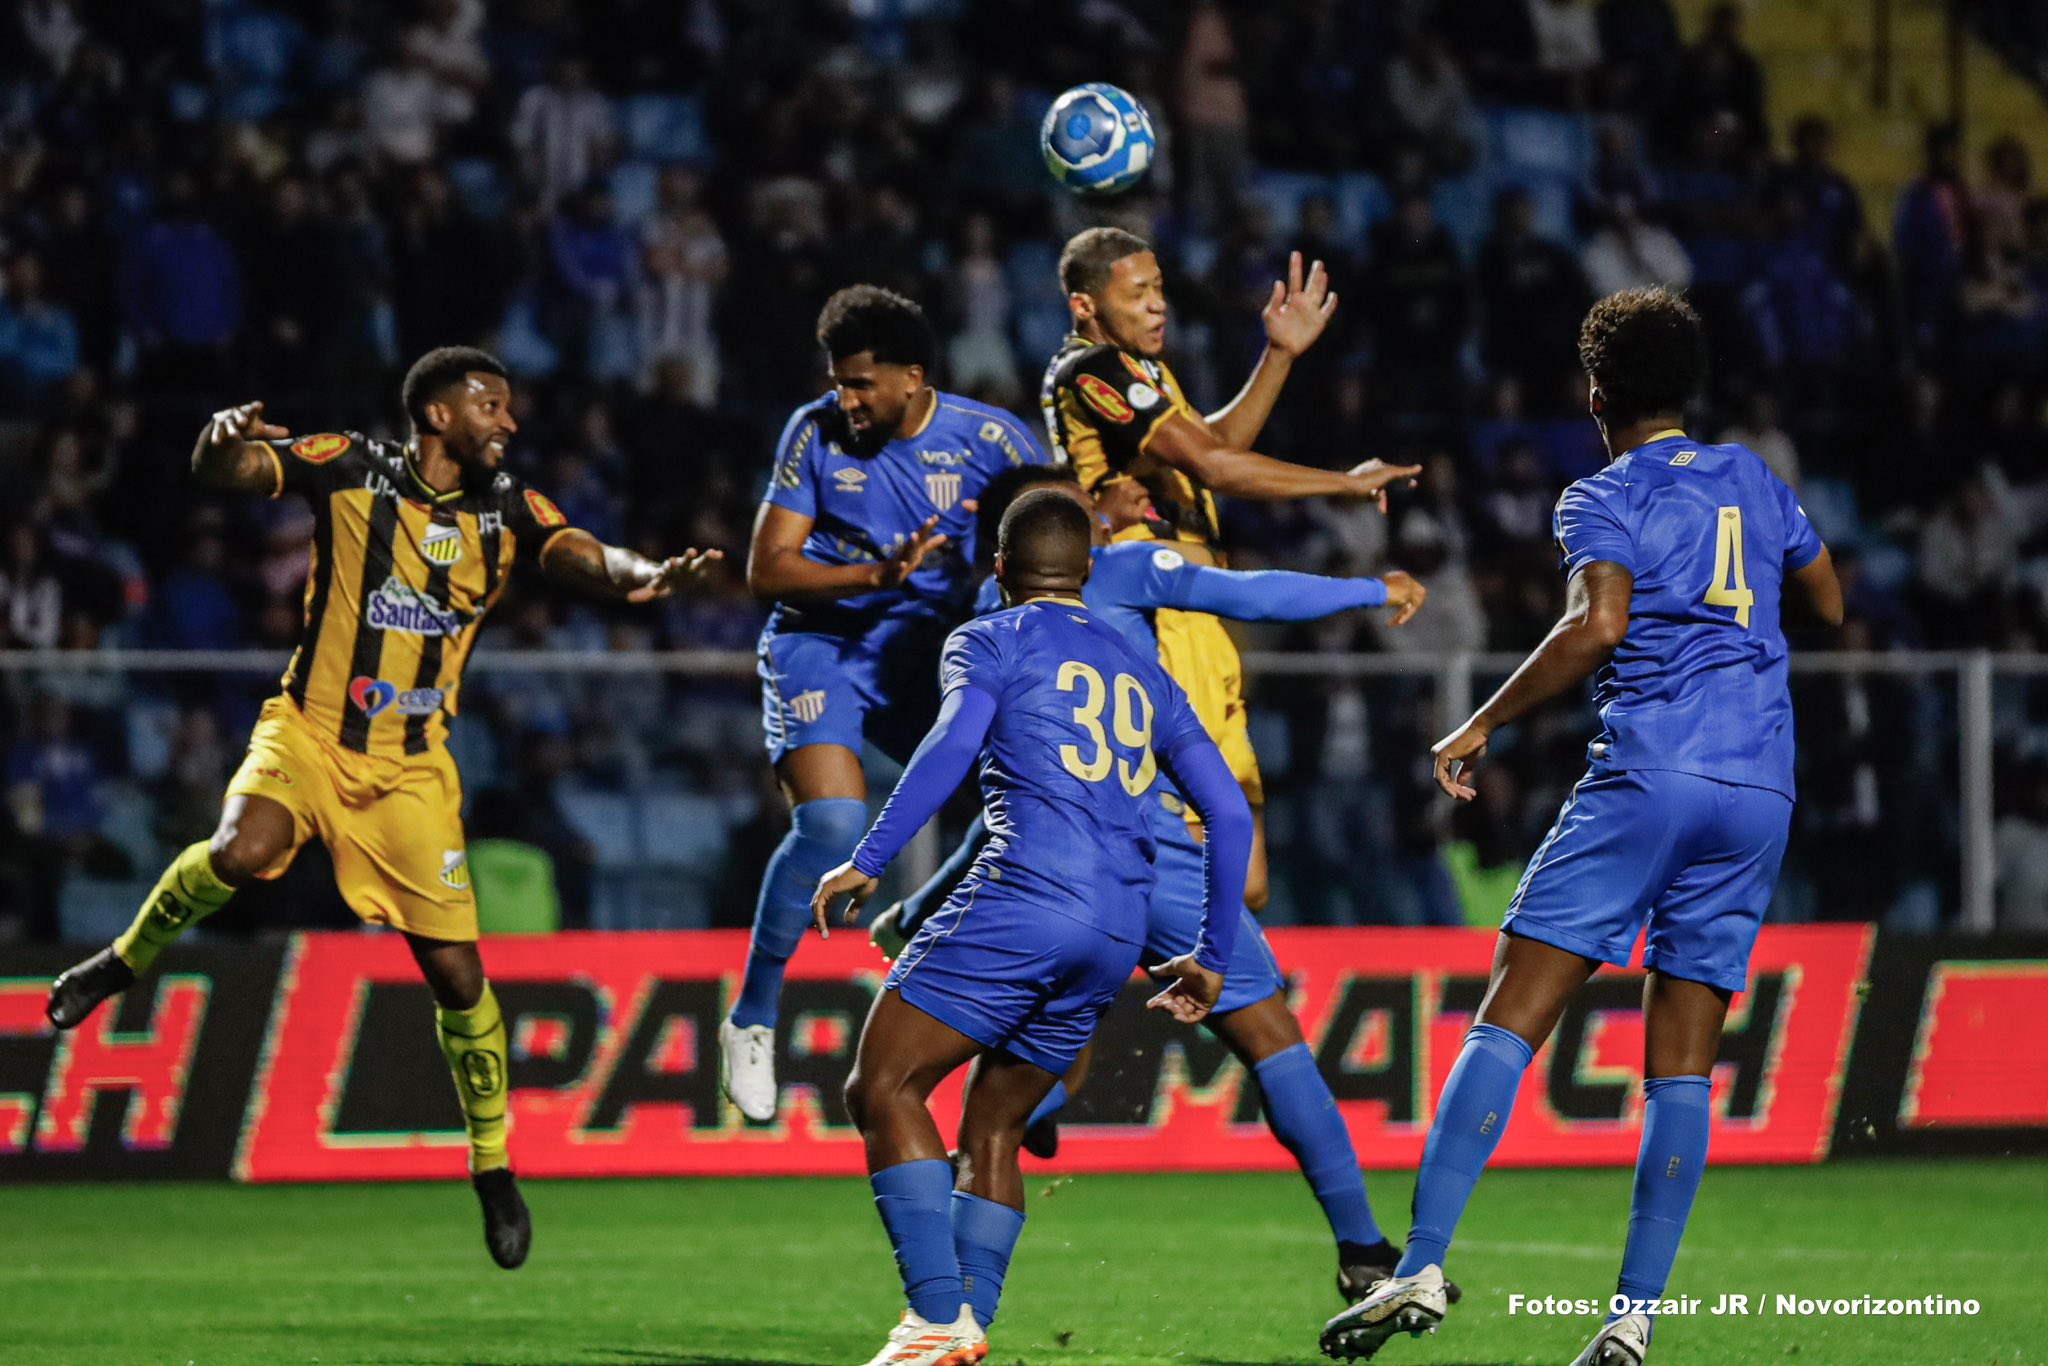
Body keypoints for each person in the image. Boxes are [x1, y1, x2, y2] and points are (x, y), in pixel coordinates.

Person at [44, 347, 719, 1271]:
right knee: (240, 851)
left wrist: (648, 570)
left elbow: (585, 553)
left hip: (411, 772)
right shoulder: (352, 466)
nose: (508, 423)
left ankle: (493, 1169)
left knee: (457, 978)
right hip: (311, 734)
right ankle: (123, 963)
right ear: (439, 416)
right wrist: (217, 443)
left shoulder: (510, 507)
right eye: (491, 406)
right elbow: (237, 471)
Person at [1319, 288, 1842, 1365]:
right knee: (1682, 1062)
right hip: (1756, 791)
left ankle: (1419, 1260)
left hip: (1650, 772)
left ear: (1593, 393)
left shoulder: (1597, 494)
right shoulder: (1750, 474)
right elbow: (1826, 596)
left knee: (1510, 1010)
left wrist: (1475, 724)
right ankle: (1632, 1316)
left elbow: (1594, 623)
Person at [871, 465, 1442, 1304]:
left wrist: (910, 901)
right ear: (1079, 524)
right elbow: (1252, 591)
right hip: (1152, 852)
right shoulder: (1123, 566)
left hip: (1045, 879)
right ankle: (1362, 1248)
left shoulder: (990, 626)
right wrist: (1367, 585)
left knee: (989, 1083)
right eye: (1107, 493)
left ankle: (955, 1275)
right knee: (1272, 1040)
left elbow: (994, 791)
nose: (1136, 502)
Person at [812, 488, 1253, 1365]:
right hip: (1119, 930)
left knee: (882, 1085)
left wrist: (869, 856)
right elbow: (1229, 815)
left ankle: (935, 1317)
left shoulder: (988, 638)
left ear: (1001, 570)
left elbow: (950, 744)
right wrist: (1212, 956)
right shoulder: (1140, 666)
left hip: (1025, 896)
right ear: (1087, 571)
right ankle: (962, 1328)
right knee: (996, 1129)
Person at [723, 285, 1050, 1123]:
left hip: (923, 655)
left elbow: (1053, 548)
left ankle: (922, 931)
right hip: (821, 640)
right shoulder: (815, 431)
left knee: (1019, 807)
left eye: (863, 384)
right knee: (832, 826)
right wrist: (879, 575)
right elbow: (768, 568)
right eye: (839, 382)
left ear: (913, 377)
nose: (848, 401)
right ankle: (753, 1016)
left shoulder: (993, 441)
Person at [1043, 227, 1418, 918]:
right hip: (1154, 621)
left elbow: (1213, 447)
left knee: (1242, 884)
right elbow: (1214, 466)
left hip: (1198, 621)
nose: (1158, 307)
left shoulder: (1145, 372)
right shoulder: (1093, 369)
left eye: (1159, 290)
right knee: (1194, 880)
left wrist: (1278, 355)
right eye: (1137, 294)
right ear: (1085, 306)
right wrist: (1341, 484)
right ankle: (1062, 961)